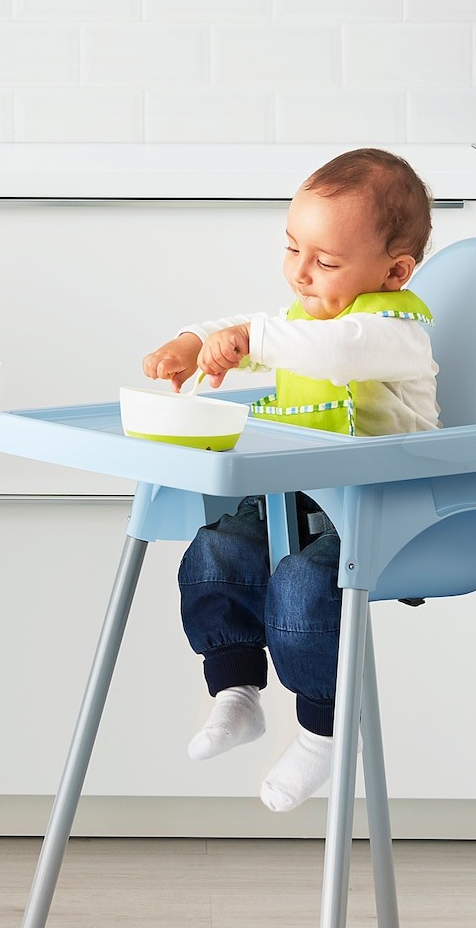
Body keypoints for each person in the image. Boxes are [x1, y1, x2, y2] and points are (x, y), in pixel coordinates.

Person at [142, 149, 437, 813]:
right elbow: (263, 328)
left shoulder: (394, 331)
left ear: (394, 271)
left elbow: (329, 351)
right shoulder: (303, 320)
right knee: (215, 550)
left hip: (385, 511)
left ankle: (322, 729)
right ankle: (235, 690)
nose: (301, 273)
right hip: (301, 499)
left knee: (303, 585)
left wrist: (249, 338)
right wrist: (195, 343)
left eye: (325, 262)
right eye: (292, 249)